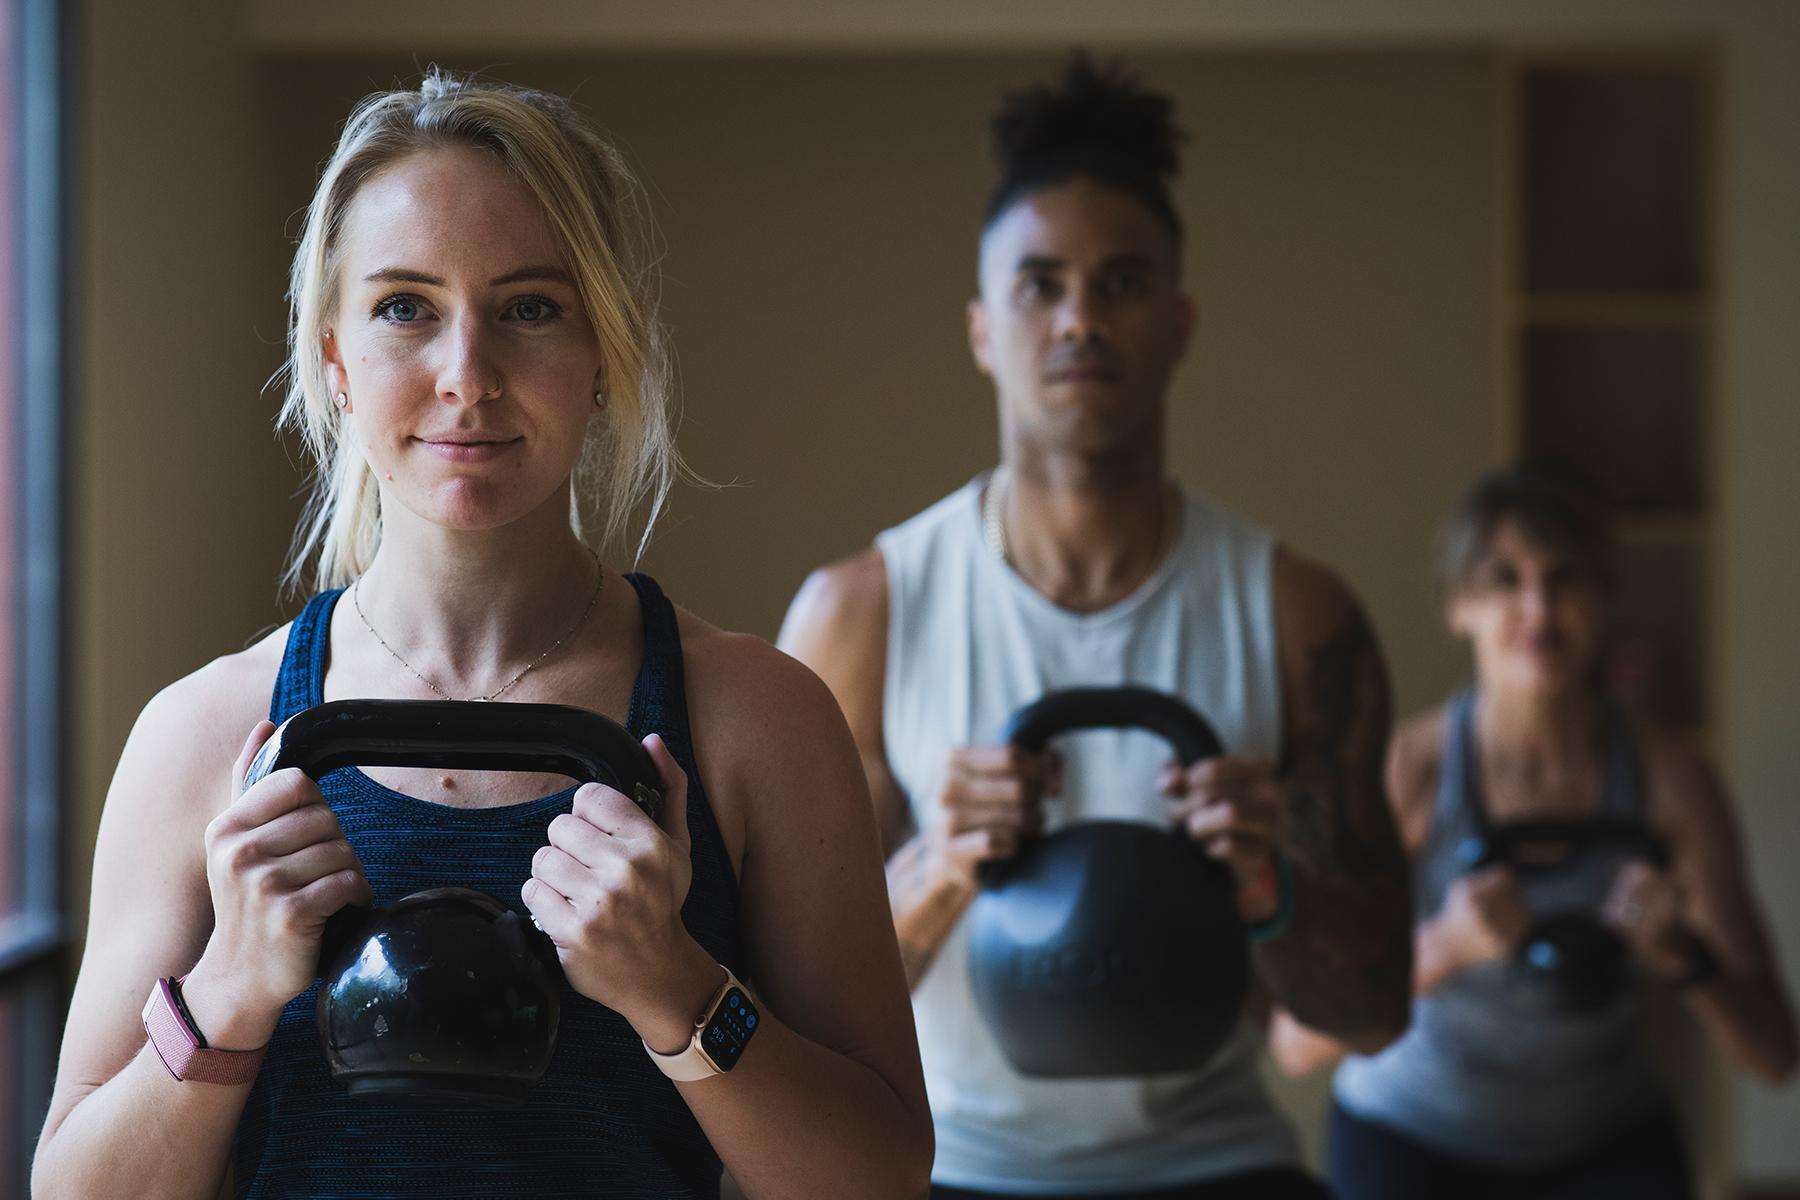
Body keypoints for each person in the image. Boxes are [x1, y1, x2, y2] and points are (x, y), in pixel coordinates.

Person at [32, 71, 931, 1200]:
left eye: (530, 308)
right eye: (407, 307)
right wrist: (229, 990)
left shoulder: (756, 720)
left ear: (603, 354)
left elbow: (883, 1178)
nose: (468, 376)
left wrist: (678, 989)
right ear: (334, 362)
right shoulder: (203, 735)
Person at [779, 54, 1412, 1199]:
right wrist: (938, 869)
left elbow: (1371, 1017)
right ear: (983, 328)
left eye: (1120, 284)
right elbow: (782, 1016)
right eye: (1040, 284)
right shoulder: (861, 613)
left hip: (1221, 1161)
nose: (1079, 318)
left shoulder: (1298, 613)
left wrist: (1269, 884)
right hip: (954, 1164)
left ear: (1177, 322)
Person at [1272, 466, 1799, 1199]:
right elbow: (1295, 1041)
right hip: (1412, 1130)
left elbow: (1775, 1055)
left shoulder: (1671, 782)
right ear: (1459, 606)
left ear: (1605, 597)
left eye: (1565, 578)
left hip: (1603, 1134)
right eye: (1503, 580)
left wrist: (1683, 956)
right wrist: (1446, 949)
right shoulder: (1410, 774)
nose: (1538, 607)